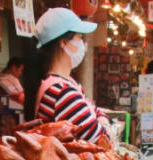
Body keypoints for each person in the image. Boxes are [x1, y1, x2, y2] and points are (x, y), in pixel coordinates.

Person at [25, 8, 112, 142]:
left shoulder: (66, 83)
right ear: (64, 42)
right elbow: (102, 140)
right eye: (79, 38)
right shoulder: (61, 92)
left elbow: (95, 110)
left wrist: (101, 120)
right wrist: (104, 125)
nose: (83, 44)